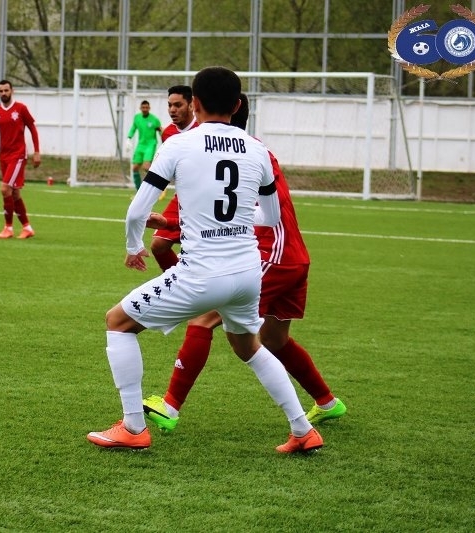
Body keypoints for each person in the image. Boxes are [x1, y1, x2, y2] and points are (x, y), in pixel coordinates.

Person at [86, 67, 322, 454]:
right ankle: (302, 430)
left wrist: (133, 247)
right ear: (237, 105)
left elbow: (136, 212)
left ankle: (133, 427)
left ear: (194, 103)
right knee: (249, 347)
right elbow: (271, 217)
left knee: (118, 322)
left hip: (202, 272)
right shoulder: (258, 149)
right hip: (247, 272)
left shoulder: (179, 145)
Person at [142, 92, 346, 439]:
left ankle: (170, 405)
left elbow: (241, 214)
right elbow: (234, 212)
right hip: (290, 256)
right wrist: (174, 224)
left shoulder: (241, 153)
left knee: (203, 318)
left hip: (271, 255)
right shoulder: (254, 150)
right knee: (275, 339)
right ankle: (327, 402)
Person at [0, 79, 41, 239]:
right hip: (4, 156)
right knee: (14, 193)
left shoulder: (21, 108)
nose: (4, 93)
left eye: (6, 90)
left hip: (18, 155)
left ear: (12, 91)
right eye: (0, 91)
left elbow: (32, 128)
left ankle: (8, 228)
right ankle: (27, 228)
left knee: (4, 189)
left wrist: (36, 151)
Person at [151, 85, 197, 270]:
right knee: (158, 245)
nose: (172, 110)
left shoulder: (203, 128)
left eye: (178, 105)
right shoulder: (168, 133)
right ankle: (178, 281)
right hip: (183, 197)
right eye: (170, 105)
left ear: (191, 105)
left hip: (207, 198)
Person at [125, 100, 162, 191]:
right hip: (141, 145)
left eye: (146, 107)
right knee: (135, 168)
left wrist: (165, 142)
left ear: (149, 108)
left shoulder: (154, 120)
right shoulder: (137, 118)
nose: (145, 109)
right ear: (140, 108)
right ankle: (139, 191)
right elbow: (133, 128)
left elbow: (161, 131)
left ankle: (159, 183)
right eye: (143, 107)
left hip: (150, 144)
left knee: (146, 167)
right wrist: (129, 138)